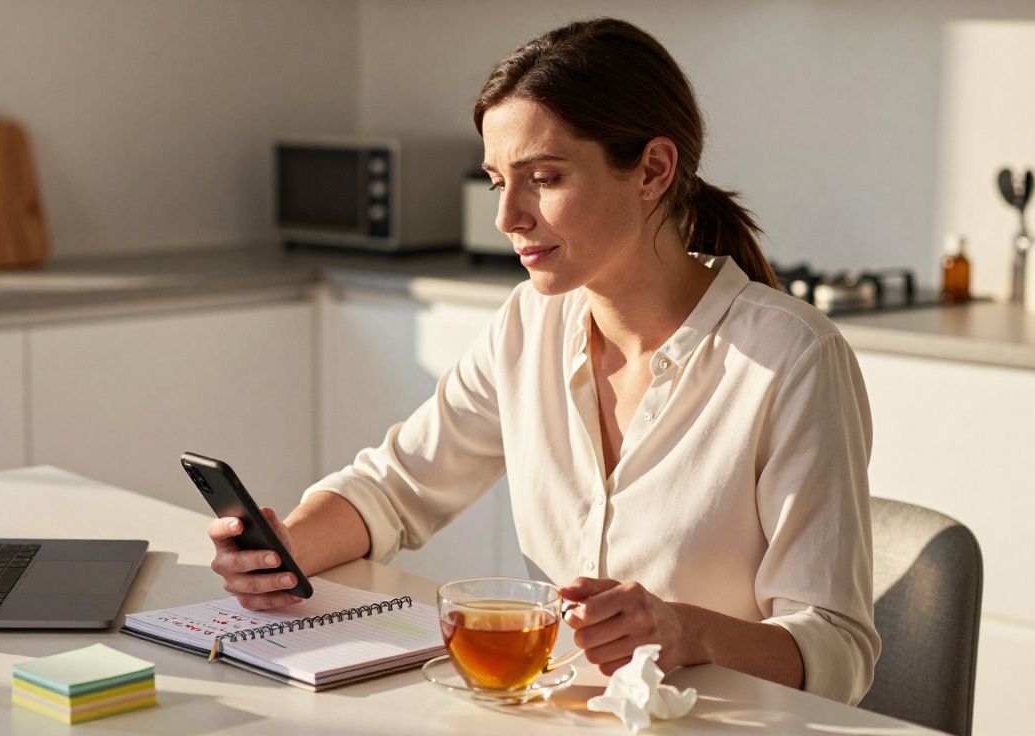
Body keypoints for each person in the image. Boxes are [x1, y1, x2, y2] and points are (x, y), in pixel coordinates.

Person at [206, 18, 878, 705]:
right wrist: (282, 551)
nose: (508, 216)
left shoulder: (792, 358)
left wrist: (686, 633)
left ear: (652, 170)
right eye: (498, 180)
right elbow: (395, 488)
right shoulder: (529, 324)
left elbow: (838, 649)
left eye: (544, 178)